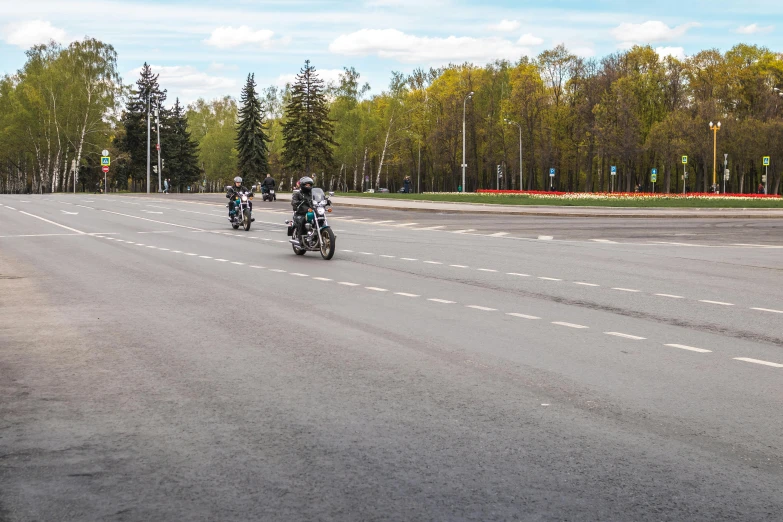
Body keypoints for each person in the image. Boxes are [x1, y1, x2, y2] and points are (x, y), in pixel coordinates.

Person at [291, 176, 314, 244]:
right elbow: (293, 201)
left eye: (309, 185)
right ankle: (300, 239)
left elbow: (318, 198)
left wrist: (326, 201)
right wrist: (297, 202)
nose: (308, 186)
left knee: (321, 219)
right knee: (302, 220)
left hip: (312, 211)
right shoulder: (298, 194)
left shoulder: (312, 193)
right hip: (301, 213)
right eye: (307, 185)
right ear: (302, 185)